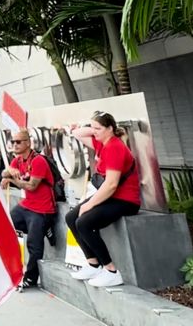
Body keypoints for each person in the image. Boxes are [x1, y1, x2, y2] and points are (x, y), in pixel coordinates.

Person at [64, 111, 141, 287]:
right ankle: (93, 263)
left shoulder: (115, 147)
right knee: (71, 217)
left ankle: (111, 271)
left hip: (126, 200)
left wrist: (89, 204)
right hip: (111, 196)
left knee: (84, 222)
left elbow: (111, 184)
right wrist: (92, 126)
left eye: (98, 128)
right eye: (93, 127)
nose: (93, 131)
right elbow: (77, 133)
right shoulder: (101, 143)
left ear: (110, 129)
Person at [1, 129, 54, 289]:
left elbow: (31, 186)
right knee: (6, 226)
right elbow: (4, 173)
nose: (14, 145)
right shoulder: (17, 161)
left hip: (42, 209)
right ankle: (40, 230)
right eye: (13, 142)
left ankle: (31, 278)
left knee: (33, 244)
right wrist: (9, 171)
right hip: (27, 205)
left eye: (18, 142)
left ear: (28, 143)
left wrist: (11, 179)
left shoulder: (38, 161)